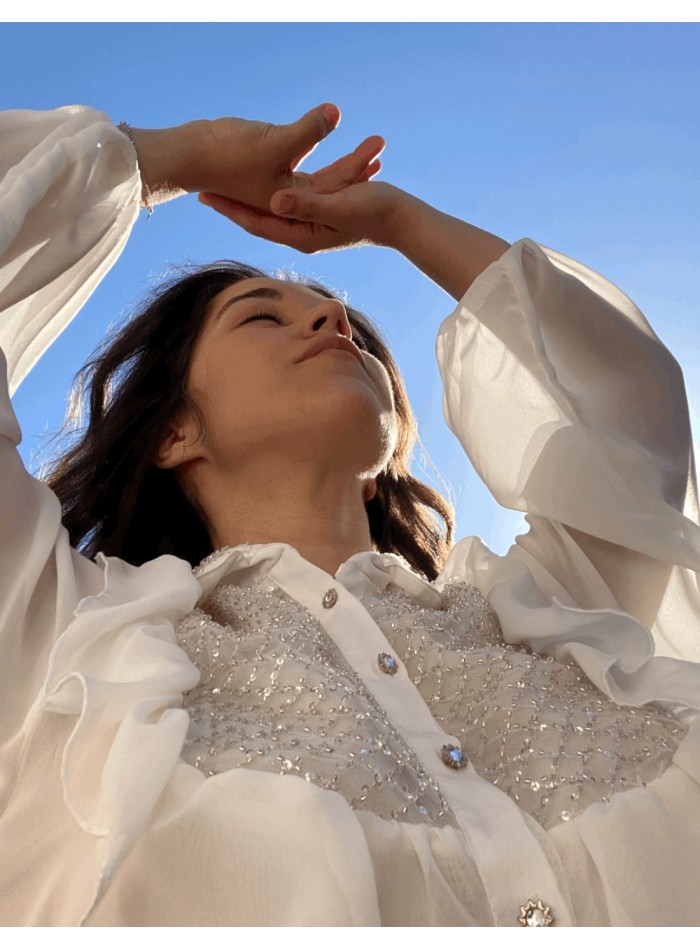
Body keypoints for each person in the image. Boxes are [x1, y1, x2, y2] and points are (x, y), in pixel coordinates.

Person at [1, 102, 700, 928]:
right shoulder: (74, 649)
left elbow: (628, 412)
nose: (333, 318)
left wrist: (399, 223)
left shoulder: (552, 618)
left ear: (382, 465)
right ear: (171, 433)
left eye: (350, 327)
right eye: (262, 315)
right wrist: (183, 157)